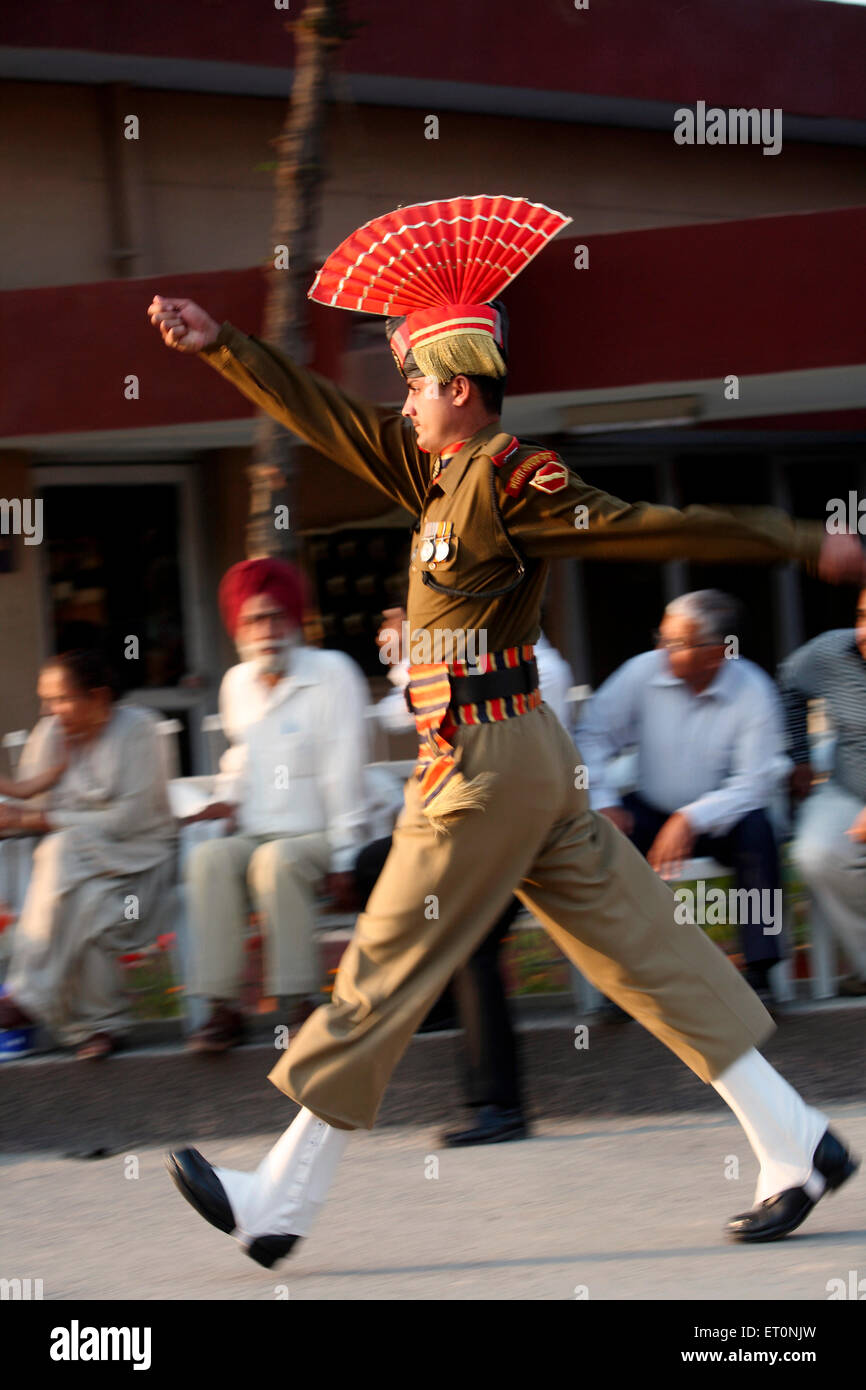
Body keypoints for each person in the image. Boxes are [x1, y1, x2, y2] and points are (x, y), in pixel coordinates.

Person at [148, 194, 862, 1268]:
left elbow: (645, 524)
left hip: (486, 763)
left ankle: (277, 1200)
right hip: (510, 760)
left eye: (414, 383)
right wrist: (226, 351)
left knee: (387, 957)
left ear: (458, 387)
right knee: (638, 946)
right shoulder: (432, 476)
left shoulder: (510, 480)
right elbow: (325, 417)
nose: (401, 400)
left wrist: (797, 540)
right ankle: (793, 1141)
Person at [360, 602, 575, 1144]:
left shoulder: (537, 669)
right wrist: (412, 650)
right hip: (478, 830)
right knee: (369, 864)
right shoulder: (476, 659)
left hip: (529, 840)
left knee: (472, 942)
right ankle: (441, 1003)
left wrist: (416, 648)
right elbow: (399, 709)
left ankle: (499, 1106)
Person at [183, 559, 370, 1051]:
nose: (265, 631)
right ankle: (222, 1008)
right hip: (258, 829)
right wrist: (221, 802)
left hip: (321, 835)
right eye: (252, 620)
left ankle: (300, 1002)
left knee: (275, 862)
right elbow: (240, 758)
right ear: (237, 627)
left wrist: (348, 858)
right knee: (208, 858)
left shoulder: (334, 674)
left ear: (294, 619)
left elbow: (344, 772)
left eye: (274, 617)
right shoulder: (236, 683)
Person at [578, 590, 788, 1008]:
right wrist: (603, 800)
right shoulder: (641, 672)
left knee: (759, 836)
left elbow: (754, 783)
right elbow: (591, 736)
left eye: (676, 643)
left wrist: (691, 818)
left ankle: (760, 972)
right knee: (601, 842)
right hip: (652, 808)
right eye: (663, 636)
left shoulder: (754, 691)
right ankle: (622, 980)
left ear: (715, 654)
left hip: (725, 816)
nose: (661, 650)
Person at [0, 650, 175, 1060]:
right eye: (45, 700)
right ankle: (102, 1027)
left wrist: (42, 818)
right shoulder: (51, 735)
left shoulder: (138, 731)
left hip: (140, 864)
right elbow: (27, 800)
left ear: (98, 697)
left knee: (63, 848)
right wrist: (34, 800)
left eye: (60, 699)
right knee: (90, 899)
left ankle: (28, 996)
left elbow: (129, 819)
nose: (49, 711)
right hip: (78, 876)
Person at [781, 588, 866, 995]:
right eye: (863, 615)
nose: (865, 631)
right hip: (847, 785)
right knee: (815, 852)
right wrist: (799, 755)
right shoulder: (832, 652)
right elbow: (789, 683)